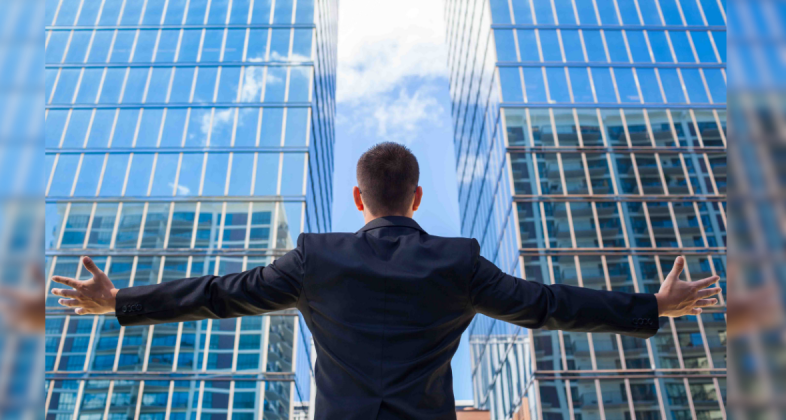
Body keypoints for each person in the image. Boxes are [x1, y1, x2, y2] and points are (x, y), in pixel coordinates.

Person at [51, 142, 721, 420]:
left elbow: (222, 294)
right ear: (417, 198)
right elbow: (544, 305)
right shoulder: (456, 262)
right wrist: (653, 308)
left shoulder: (315, 258)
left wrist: (120, 301)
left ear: (358, 197)